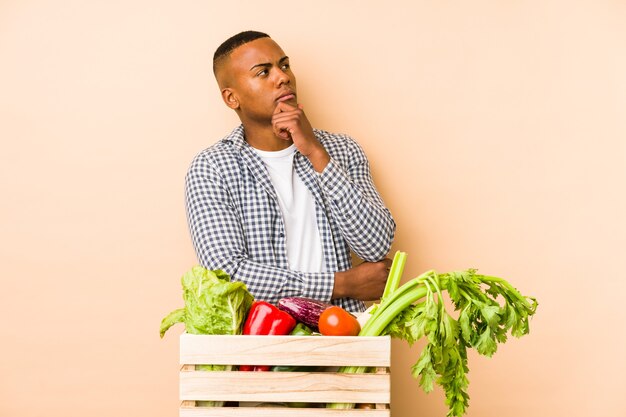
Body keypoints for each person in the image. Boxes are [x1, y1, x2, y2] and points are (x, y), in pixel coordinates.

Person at [185, 30, 395, 312]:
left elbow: (376, 245)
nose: (282, 77)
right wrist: (342, 284)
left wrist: (316, 153)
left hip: (342, 338)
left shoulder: (343, 150)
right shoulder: (211, 168)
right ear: (232, 98)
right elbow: (227, 275)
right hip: (261, 343)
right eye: (263, 72)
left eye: (284, 65)